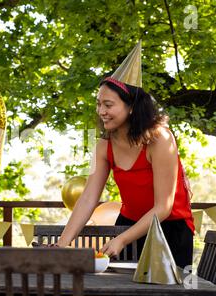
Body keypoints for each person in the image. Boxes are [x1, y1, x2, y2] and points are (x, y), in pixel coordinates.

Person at [56, 45, 194, 269]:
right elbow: (89, 198)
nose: (101, 111)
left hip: (169, 229)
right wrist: (62, 245)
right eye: (99, 104)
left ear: (131, 107)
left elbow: (163, 207)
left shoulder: (160, 140)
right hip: (128, 226)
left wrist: (122, 239)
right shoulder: (103, 147)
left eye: (108, 105)